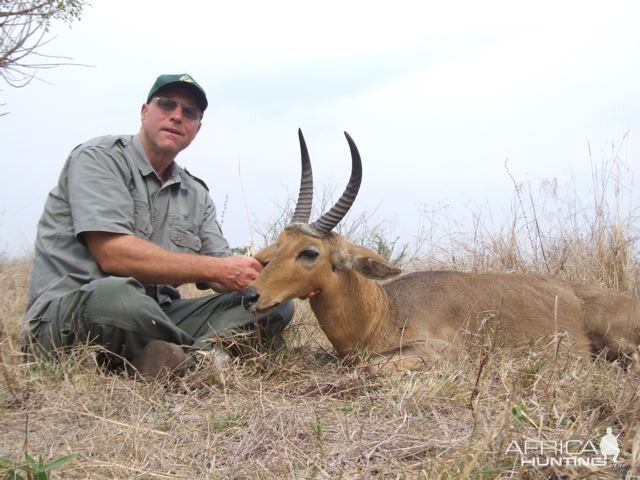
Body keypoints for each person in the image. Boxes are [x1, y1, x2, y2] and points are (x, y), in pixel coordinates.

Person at [22, 73, 294, 378]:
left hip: (155, 317)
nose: (177, 116)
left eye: (189, 113)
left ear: (197, 129)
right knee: (117, 296)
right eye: (167, 105)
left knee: (274, 305)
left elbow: (224, 271)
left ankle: (170, 359)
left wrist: (288, 276)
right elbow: (114, 255)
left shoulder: (196, 193)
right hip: (77, 312)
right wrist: (216, 270)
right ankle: (201, 358)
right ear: (144, 112)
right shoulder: (99, 158)